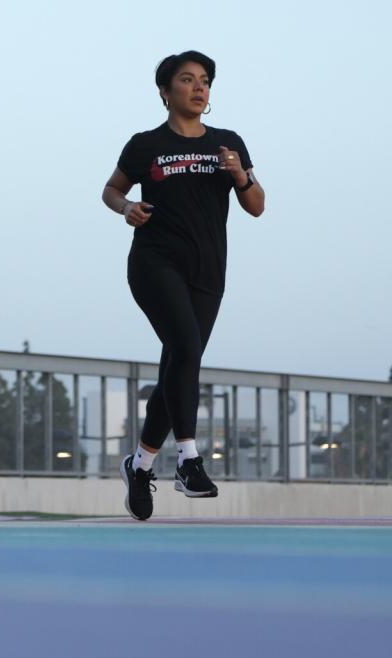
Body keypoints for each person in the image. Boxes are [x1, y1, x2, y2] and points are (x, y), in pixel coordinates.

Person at [102, 50, 265, 521]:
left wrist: (239, 174)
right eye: (188, 80)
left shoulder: (228, 144)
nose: (199, 87)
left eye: (205, 81)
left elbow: (256, 204)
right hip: (154, 264)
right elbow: (111, 189)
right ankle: (189, 459)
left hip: (208, 272)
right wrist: (125, 207)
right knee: (186, 348)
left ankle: (141, 464)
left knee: (180, 362)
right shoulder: (145, 144)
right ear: (165, 91)